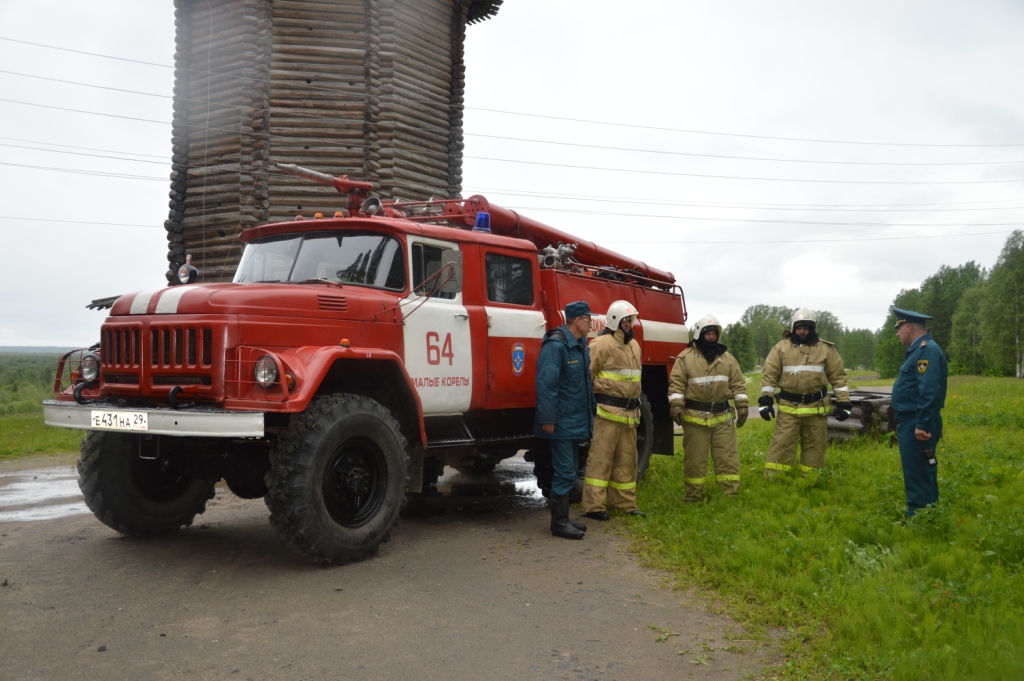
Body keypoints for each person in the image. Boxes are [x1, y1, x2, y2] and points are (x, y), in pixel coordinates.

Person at [759, 308, 851, 475]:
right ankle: (775, 481)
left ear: (813, 328)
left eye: (806, 327)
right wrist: (765, 400)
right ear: (793, 328)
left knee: (815, 447)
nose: (802, 331)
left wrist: (844, 401)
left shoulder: (826, 349)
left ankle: (811, 480)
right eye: (799, 327)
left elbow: (838, 377)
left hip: (817, 409)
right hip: (788, 409)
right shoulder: (781, 348)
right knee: (781, 445)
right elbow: (770, 376)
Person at [668, 314, 748, 501]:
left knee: (727, 458)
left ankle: (730, 494)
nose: (711, 337)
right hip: (696, 419)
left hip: (722, 418)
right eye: (708, 334)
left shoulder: (727, 359)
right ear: (699, 334)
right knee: (695, 460)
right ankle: (693, 496)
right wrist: (676, 405)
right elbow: (676, 384)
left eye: (714, 333)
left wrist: (742, 405)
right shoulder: (685, 358)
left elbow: (738, 383)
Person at [535, 300, 597, 539]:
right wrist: (548, 417)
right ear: (578, 321)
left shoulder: (580, 345)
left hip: (574, 421)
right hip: (560, 422)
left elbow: (585, 386)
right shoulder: (556, 346)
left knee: (569, 470)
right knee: (564, 473)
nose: (591, 323)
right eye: (588, 319)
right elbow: (546, 384)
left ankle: (562, 520)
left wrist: (591, 411)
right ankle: (560, 524)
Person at [581, 300, 645, 520]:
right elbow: (586, 378)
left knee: (627, 460)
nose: (629, 323)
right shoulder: (600, 344)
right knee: (601, 459)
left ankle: (624, 504)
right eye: (626, 320)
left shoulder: (634, 346)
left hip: (629, 415)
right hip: (606, 412)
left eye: (631, 320)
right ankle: (593, 506)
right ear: (615, 320)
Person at [891, 307, 948, 517]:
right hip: (916, 420)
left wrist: (922, 423)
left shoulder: (926, 351)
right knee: (925, 467)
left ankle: (919, 519)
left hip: (916, 422)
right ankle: (929, 512)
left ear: (908, 327)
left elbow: (929, 391)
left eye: (899, 328)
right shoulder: (920, 350)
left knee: (918, 472)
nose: (897, 333)